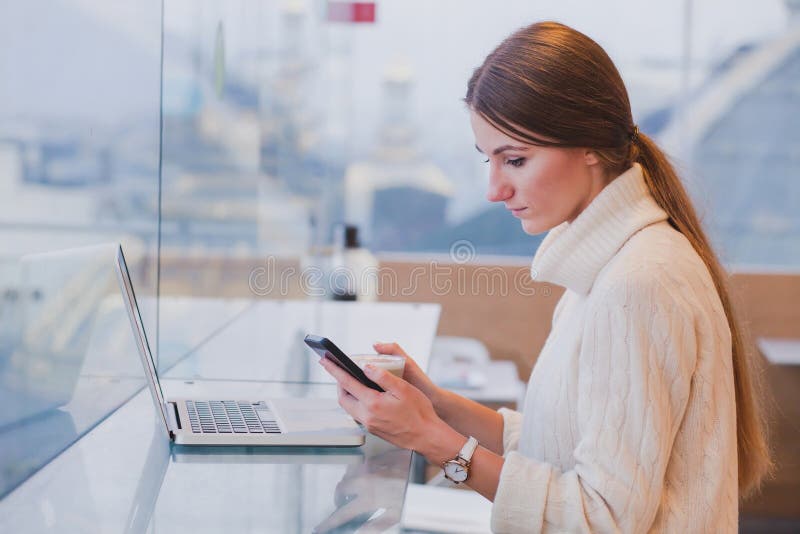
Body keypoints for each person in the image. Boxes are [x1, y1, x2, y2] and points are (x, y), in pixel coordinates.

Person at [318, 21, 772, 533]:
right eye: (488, 160)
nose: (494, 189)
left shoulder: (637, 283)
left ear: (591, 147)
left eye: (514, 160)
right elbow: (557, 447)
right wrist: (437, 407)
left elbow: (603, 518)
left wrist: (433, 440)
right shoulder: (606, 267)